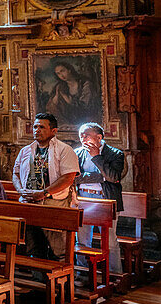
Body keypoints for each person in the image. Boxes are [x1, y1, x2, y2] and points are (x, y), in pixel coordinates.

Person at [12, 112, 80, 259]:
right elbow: (15, 173)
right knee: (33, 246)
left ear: (53, 131)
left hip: (54, 203)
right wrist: (20, 191)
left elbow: (68, 177)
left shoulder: (64, 150)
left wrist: (44, 193)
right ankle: (39, 280)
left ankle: (63, 280)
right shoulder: (26, 150)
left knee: (58, 247)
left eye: (41, 127)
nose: (36, 130)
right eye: (35, 127)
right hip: (29, 203)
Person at [75, 122, 125, 272]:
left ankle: (115, 275)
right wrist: (100, 177)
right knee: (82, 240)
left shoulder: (116, 154)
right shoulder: (77, 153)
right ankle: (83, 273)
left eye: (86, 135)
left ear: (99, 137)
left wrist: (97, 157)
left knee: (110, 241)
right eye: (81, 135)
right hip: (83, 199)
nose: (82, 138)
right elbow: (73, 177)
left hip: (106, 199)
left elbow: (113, 177)